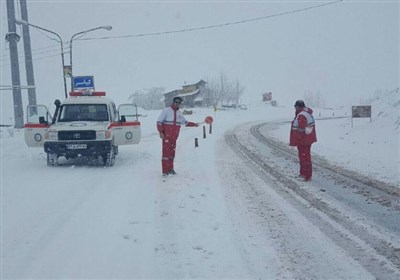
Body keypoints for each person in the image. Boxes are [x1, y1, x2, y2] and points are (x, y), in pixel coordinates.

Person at [156, 96, 198, 176]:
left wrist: (194, 124)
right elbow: (159, 122)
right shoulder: (166, 111)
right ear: (173, 102)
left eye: (178, 103)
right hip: (166, 137)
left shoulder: (179, 114)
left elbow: (185, 123)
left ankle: (171, 169)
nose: (177, 104)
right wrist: (161, 132)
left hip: (174, 138)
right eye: (176, 102)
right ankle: (165, 171)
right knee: (166, 155)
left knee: (172, 154)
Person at [290, 100, 317, 181]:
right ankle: (305, 174)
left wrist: (298, 138)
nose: (295, 108)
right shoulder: (306, 113)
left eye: (295, 107)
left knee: (304, 158)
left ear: (298, 107)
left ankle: (306, 175)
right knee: (306, 157)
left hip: (303, 141)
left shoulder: (301, 115)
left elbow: (302, 129)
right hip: (307, 140)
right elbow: (307, 128)